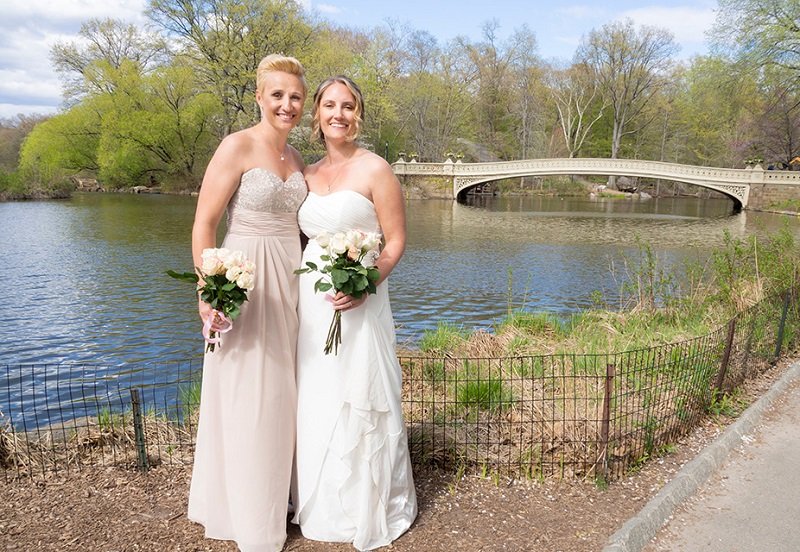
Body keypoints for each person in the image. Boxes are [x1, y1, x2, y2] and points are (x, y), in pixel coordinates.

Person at [187, 54, 307, 552]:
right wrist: (207, 293)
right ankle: (244, 510)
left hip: (290, 277)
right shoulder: (236, 146)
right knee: (245, 391)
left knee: (283, 389)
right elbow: (204, 225)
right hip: (245, 278)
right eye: (277, 94)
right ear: (259, 96)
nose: (287, 104)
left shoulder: (298, 159)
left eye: (296, 96)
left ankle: (278, 498)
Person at [292, 75, 418, 550]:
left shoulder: (376, 169)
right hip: (313, 300)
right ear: (317, 114)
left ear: (357, 114)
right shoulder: (305, 173)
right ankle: (318, 500)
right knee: (317, 390)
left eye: (347, 106)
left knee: (359, 390)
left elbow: (397, 238)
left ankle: (365, 505)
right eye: (329, 105)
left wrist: (366, 284)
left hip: (362, 298)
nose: (338, 114)